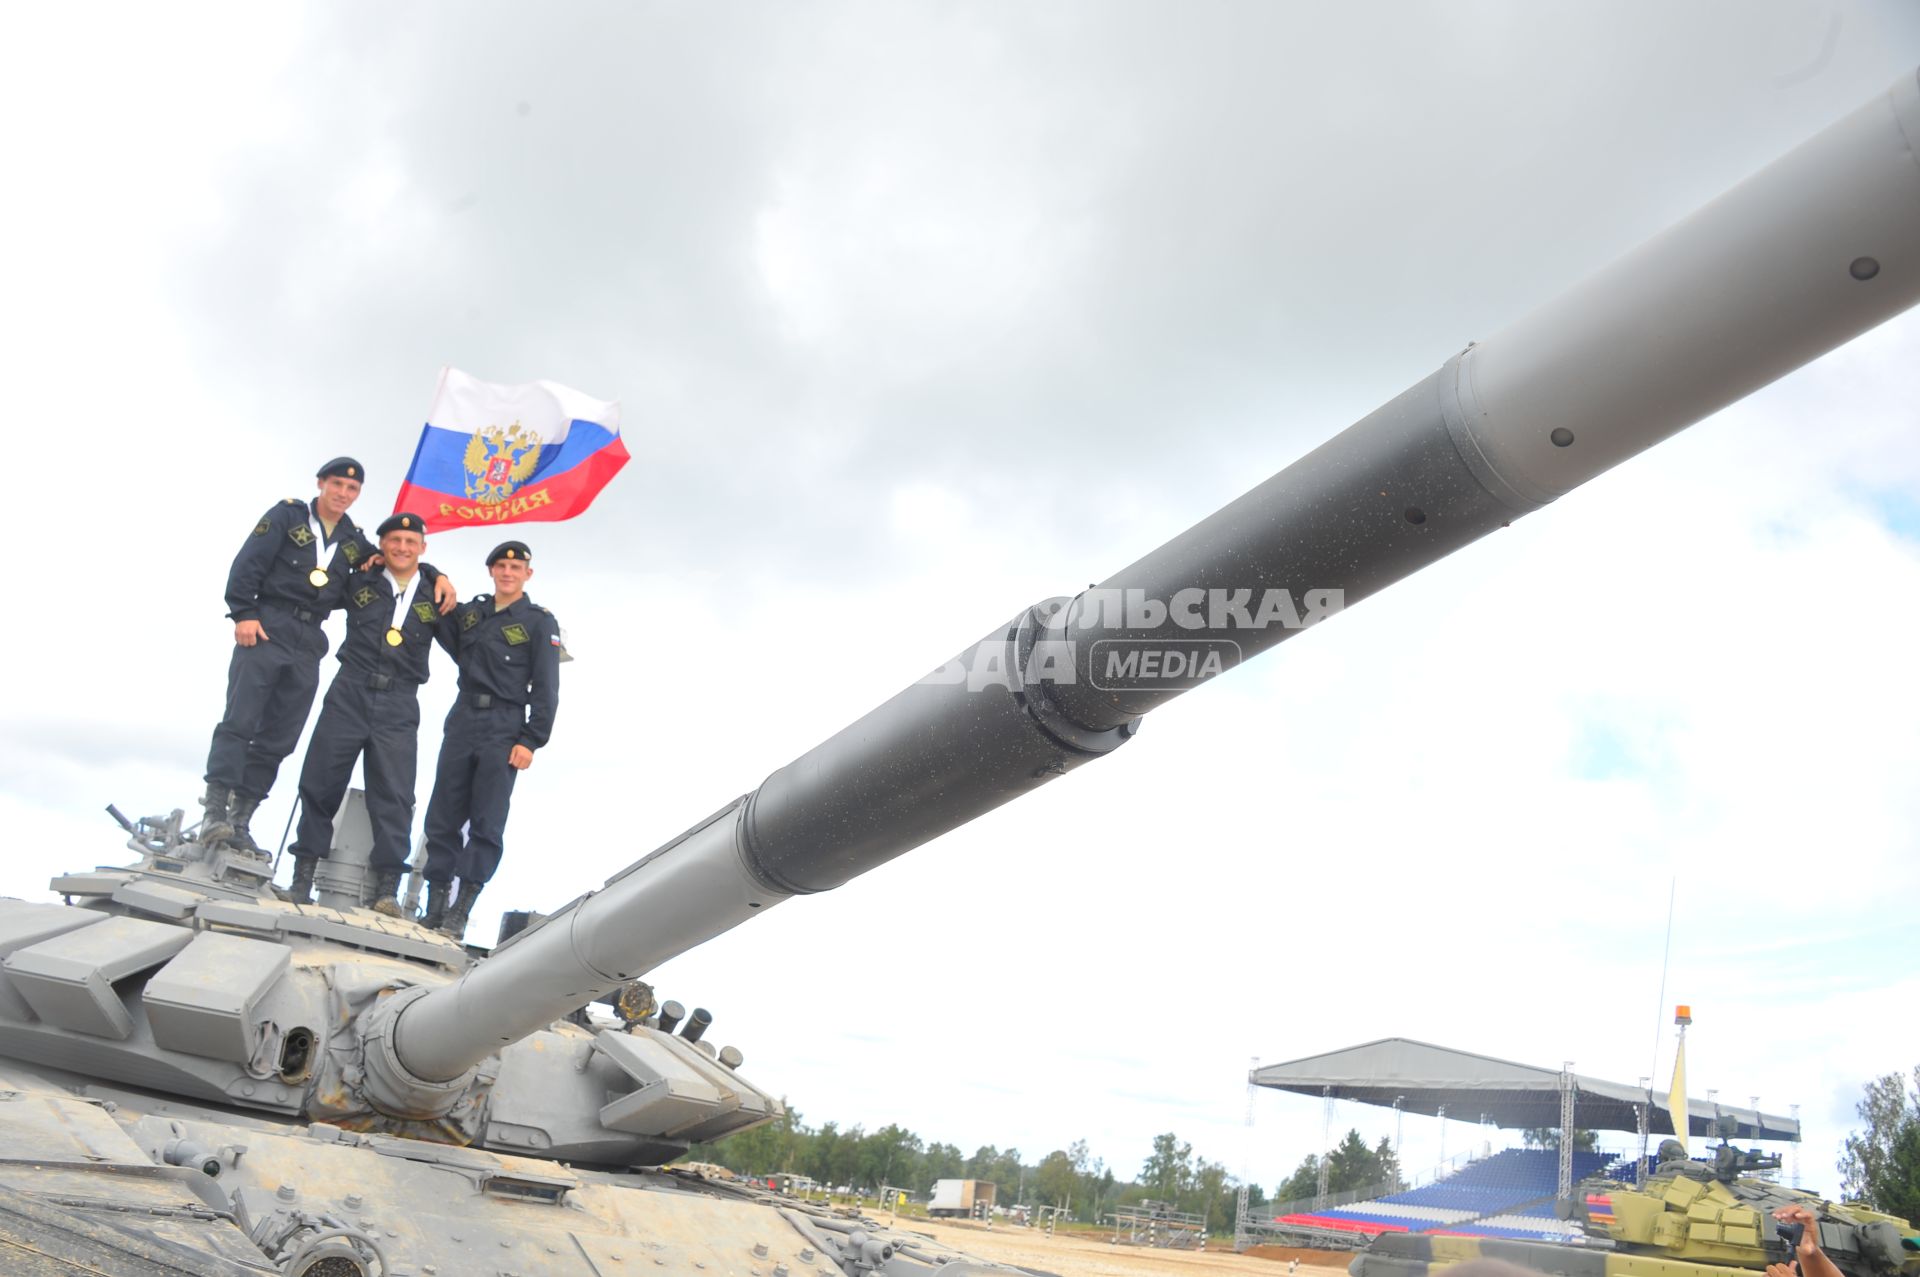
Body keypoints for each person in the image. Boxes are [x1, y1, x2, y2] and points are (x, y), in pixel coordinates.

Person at [201, 459, 457, 854]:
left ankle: (240, 820)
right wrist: (244, 613)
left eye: (351, 489)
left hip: (309, 641)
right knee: (240, 722)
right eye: (336, 484)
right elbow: (248, 563)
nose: (342, 494)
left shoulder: (354, 540)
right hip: (268, 625)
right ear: (321, 483)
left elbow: (398, 558)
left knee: (280, 736)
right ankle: (215, 812)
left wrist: (437, 573)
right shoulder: (287, 516)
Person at [282, 513, 446, 912]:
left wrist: (437, 574)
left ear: (422, 548)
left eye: (411, 541)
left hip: (400, 701)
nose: (402, 548)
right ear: (382, 545)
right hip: (350, 690)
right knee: (320, 782)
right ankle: (302, 876)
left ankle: (387, 889)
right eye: (394, 540)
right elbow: (315, 586)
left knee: (394, 795)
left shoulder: (438, 596)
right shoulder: (359, 580)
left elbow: (473, 651)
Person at [421, 540, 561, 937]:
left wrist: (532, 740)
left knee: (486, 821)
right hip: (463, 718)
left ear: (527, 575)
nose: (507, 573)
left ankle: (459, 911)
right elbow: (439, 619)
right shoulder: (473, 614)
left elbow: (547, 687)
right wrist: (435, 574)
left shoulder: (538, 622)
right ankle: (434, 904)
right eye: (500, 566)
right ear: (491, 571)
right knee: (443, 814)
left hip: (504, 726)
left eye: (515, 568)